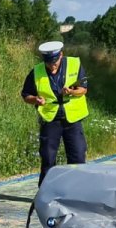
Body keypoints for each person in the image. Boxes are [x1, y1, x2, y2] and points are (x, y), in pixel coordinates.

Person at [21, 40, 89, 183]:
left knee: (77, 156)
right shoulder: (36, 72)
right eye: (48, 63)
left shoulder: (74, 64)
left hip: (72, 119)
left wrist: (71, 91)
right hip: (50, 119)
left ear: (61, 55)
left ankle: (77, 189)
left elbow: (83, 89)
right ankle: (46, 191)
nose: (52, 66)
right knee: (48, 158)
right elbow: (26, 95)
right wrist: (35, 99)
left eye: (55, 62)